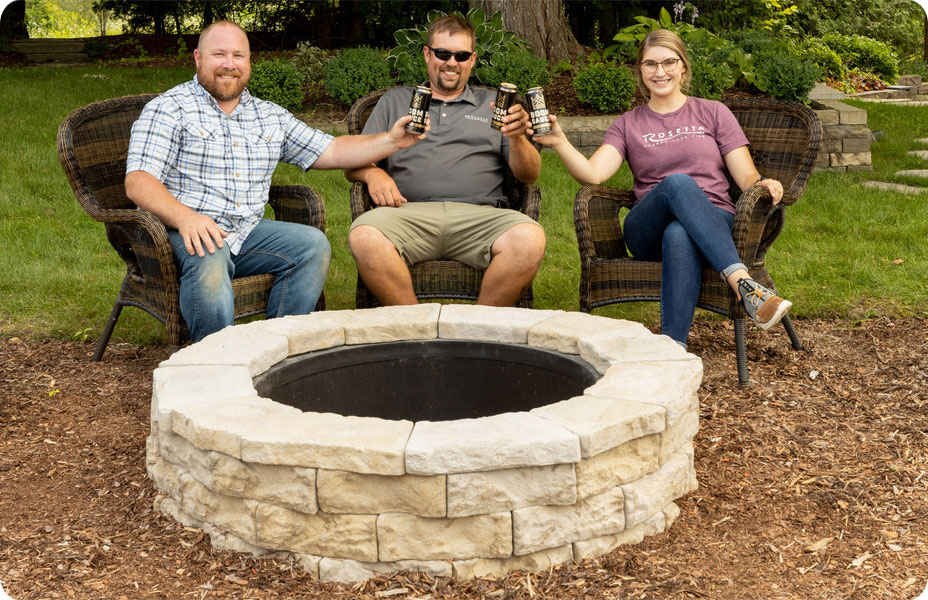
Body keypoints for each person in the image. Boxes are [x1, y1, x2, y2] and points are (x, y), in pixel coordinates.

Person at [125, 20, 425, 342]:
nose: (230, 64)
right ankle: (215, 362)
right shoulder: (169, 109)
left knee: (311, 246)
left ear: (249, 62)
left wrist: (393, 141)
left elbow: (333, 149)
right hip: (182, 231)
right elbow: (139, 181)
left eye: (239, 56)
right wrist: (187, 218)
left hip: (247, 231)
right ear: (198, 58)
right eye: (219, 55)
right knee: (209, 256)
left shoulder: (269, 116)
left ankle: (276, 347)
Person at [534, 29, 791, 348]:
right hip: (647, 230)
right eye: (650, 64)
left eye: (669, 62)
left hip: (715, 222)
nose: (660, 72)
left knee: (679, 233)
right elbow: (593, 174)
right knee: (677, 183)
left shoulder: (713, 112)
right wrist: (560, 141)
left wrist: (762, 183)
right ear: (640, 71)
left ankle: (672, 350)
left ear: (683, 66)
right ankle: (742, 282)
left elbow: (746, 176)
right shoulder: (628, 124)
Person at [344, 14, 545, 307]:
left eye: (461, 55)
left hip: (480, 216)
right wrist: (374, 175)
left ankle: (478, 329)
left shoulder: (496, 105)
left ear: (472, 59)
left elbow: (529, 175)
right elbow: (353, 160)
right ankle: (414, 327)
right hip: (408, 214)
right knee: (364, 236)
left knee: (530, 239)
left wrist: (516, 137)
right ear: (427, 54)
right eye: (443, 53)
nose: (452, 62)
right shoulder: (395, 101)